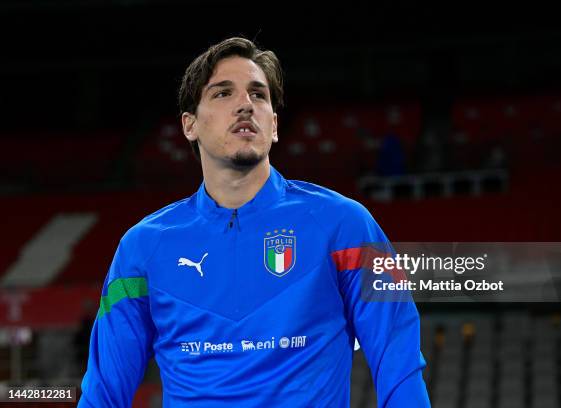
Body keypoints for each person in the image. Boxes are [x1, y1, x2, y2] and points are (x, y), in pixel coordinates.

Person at [79, 37, 430, 407]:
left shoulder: (344, 225)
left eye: (258, 95)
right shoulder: (143, 247)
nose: (245, 104)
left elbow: (399, 365)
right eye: (222, 94)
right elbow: (102, 392)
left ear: (274, 125)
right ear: (189, 125)